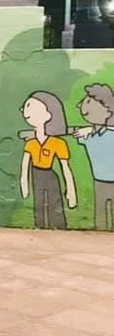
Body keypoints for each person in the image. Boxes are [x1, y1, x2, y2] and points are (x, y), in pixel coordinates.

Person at [19, 91, 77, 229]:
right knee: (38, 202)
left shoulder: (58, 143)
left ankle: (59, 227)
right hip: (36, 175)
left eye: (31, 106)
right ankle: (39, 226)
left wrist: (71, 191)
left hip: (50, 175)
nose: (26, 110)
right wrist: (24, 185)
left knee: (55, 201)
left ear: (48, 115)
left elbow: (65, 168)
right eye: (26, 106)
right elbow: (25, 166)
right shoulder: (30, 143)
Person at [72, 83, 114, 230]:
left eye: (90, 102)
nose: (84, 108)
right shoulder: (89, 135)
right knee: (100, 212)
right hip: (99, 180)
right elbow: (70, 132)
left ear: (108, 110)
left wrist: (90, 129)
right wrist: (89, 129)